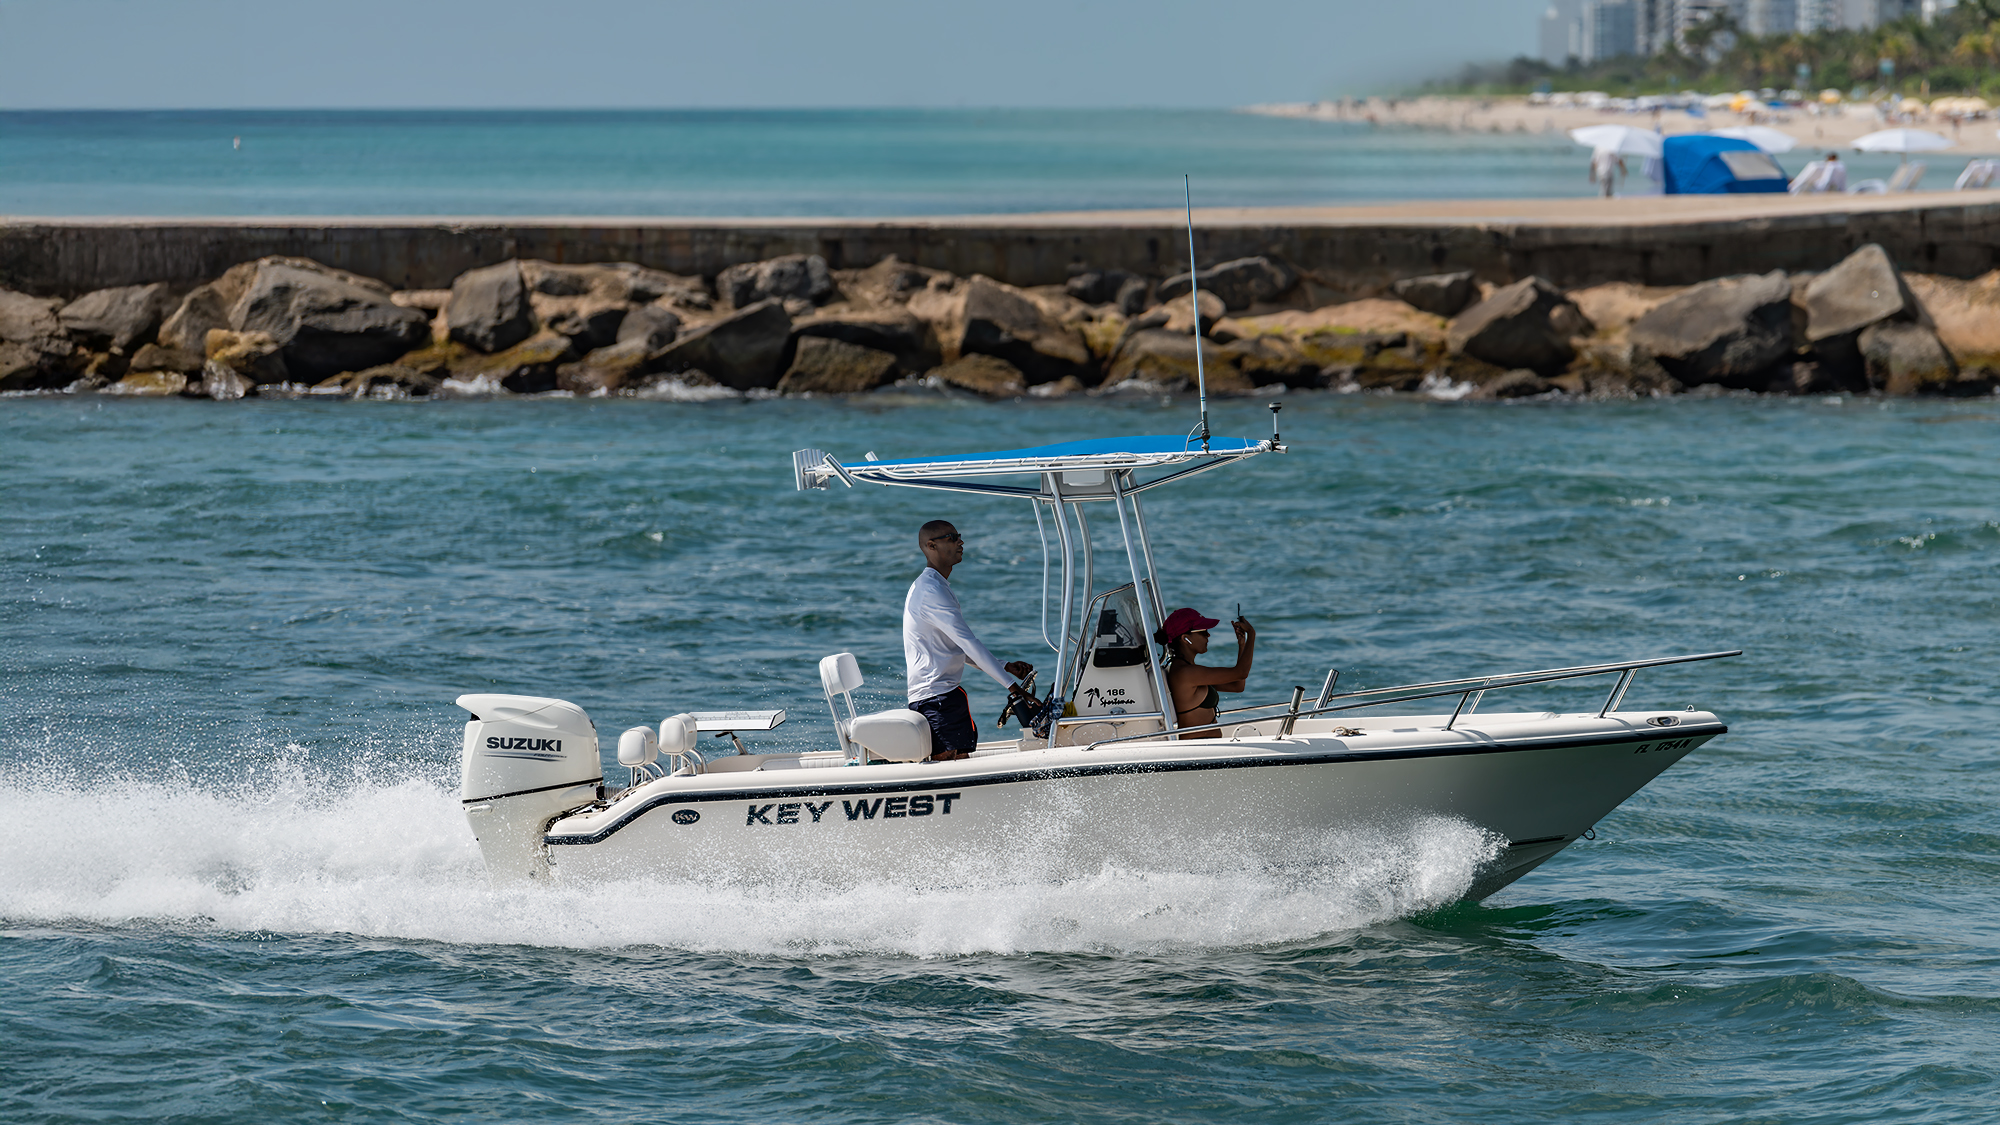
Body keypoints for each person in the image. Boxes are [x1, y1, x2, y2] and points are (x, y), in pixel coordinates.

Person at [903, 520, 1034, 762]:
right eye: (952, 537)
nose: (960, 541)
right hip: (935, 699)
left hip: (947, 694)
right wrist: (1012, 687)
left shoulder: (936, 585)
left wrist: (1004, 665)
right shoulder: (931, 591)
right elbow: (968, 642)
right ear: (931, 545)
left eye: (959, 536)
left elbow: (955, 646)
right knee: (946, 769)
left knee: (960, 761)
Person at [1156, 607, 1256, 739]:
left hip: (1205, 746)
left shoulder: (1189, 670)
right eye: (1203, 632)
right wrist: (1252, 634)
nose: (1208, 635)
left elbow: (1237, 686)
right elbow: (1241, 672)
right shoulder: (1186, 673)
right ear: (1186, 638)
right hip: (1198, 748)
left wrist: (1242, 644)